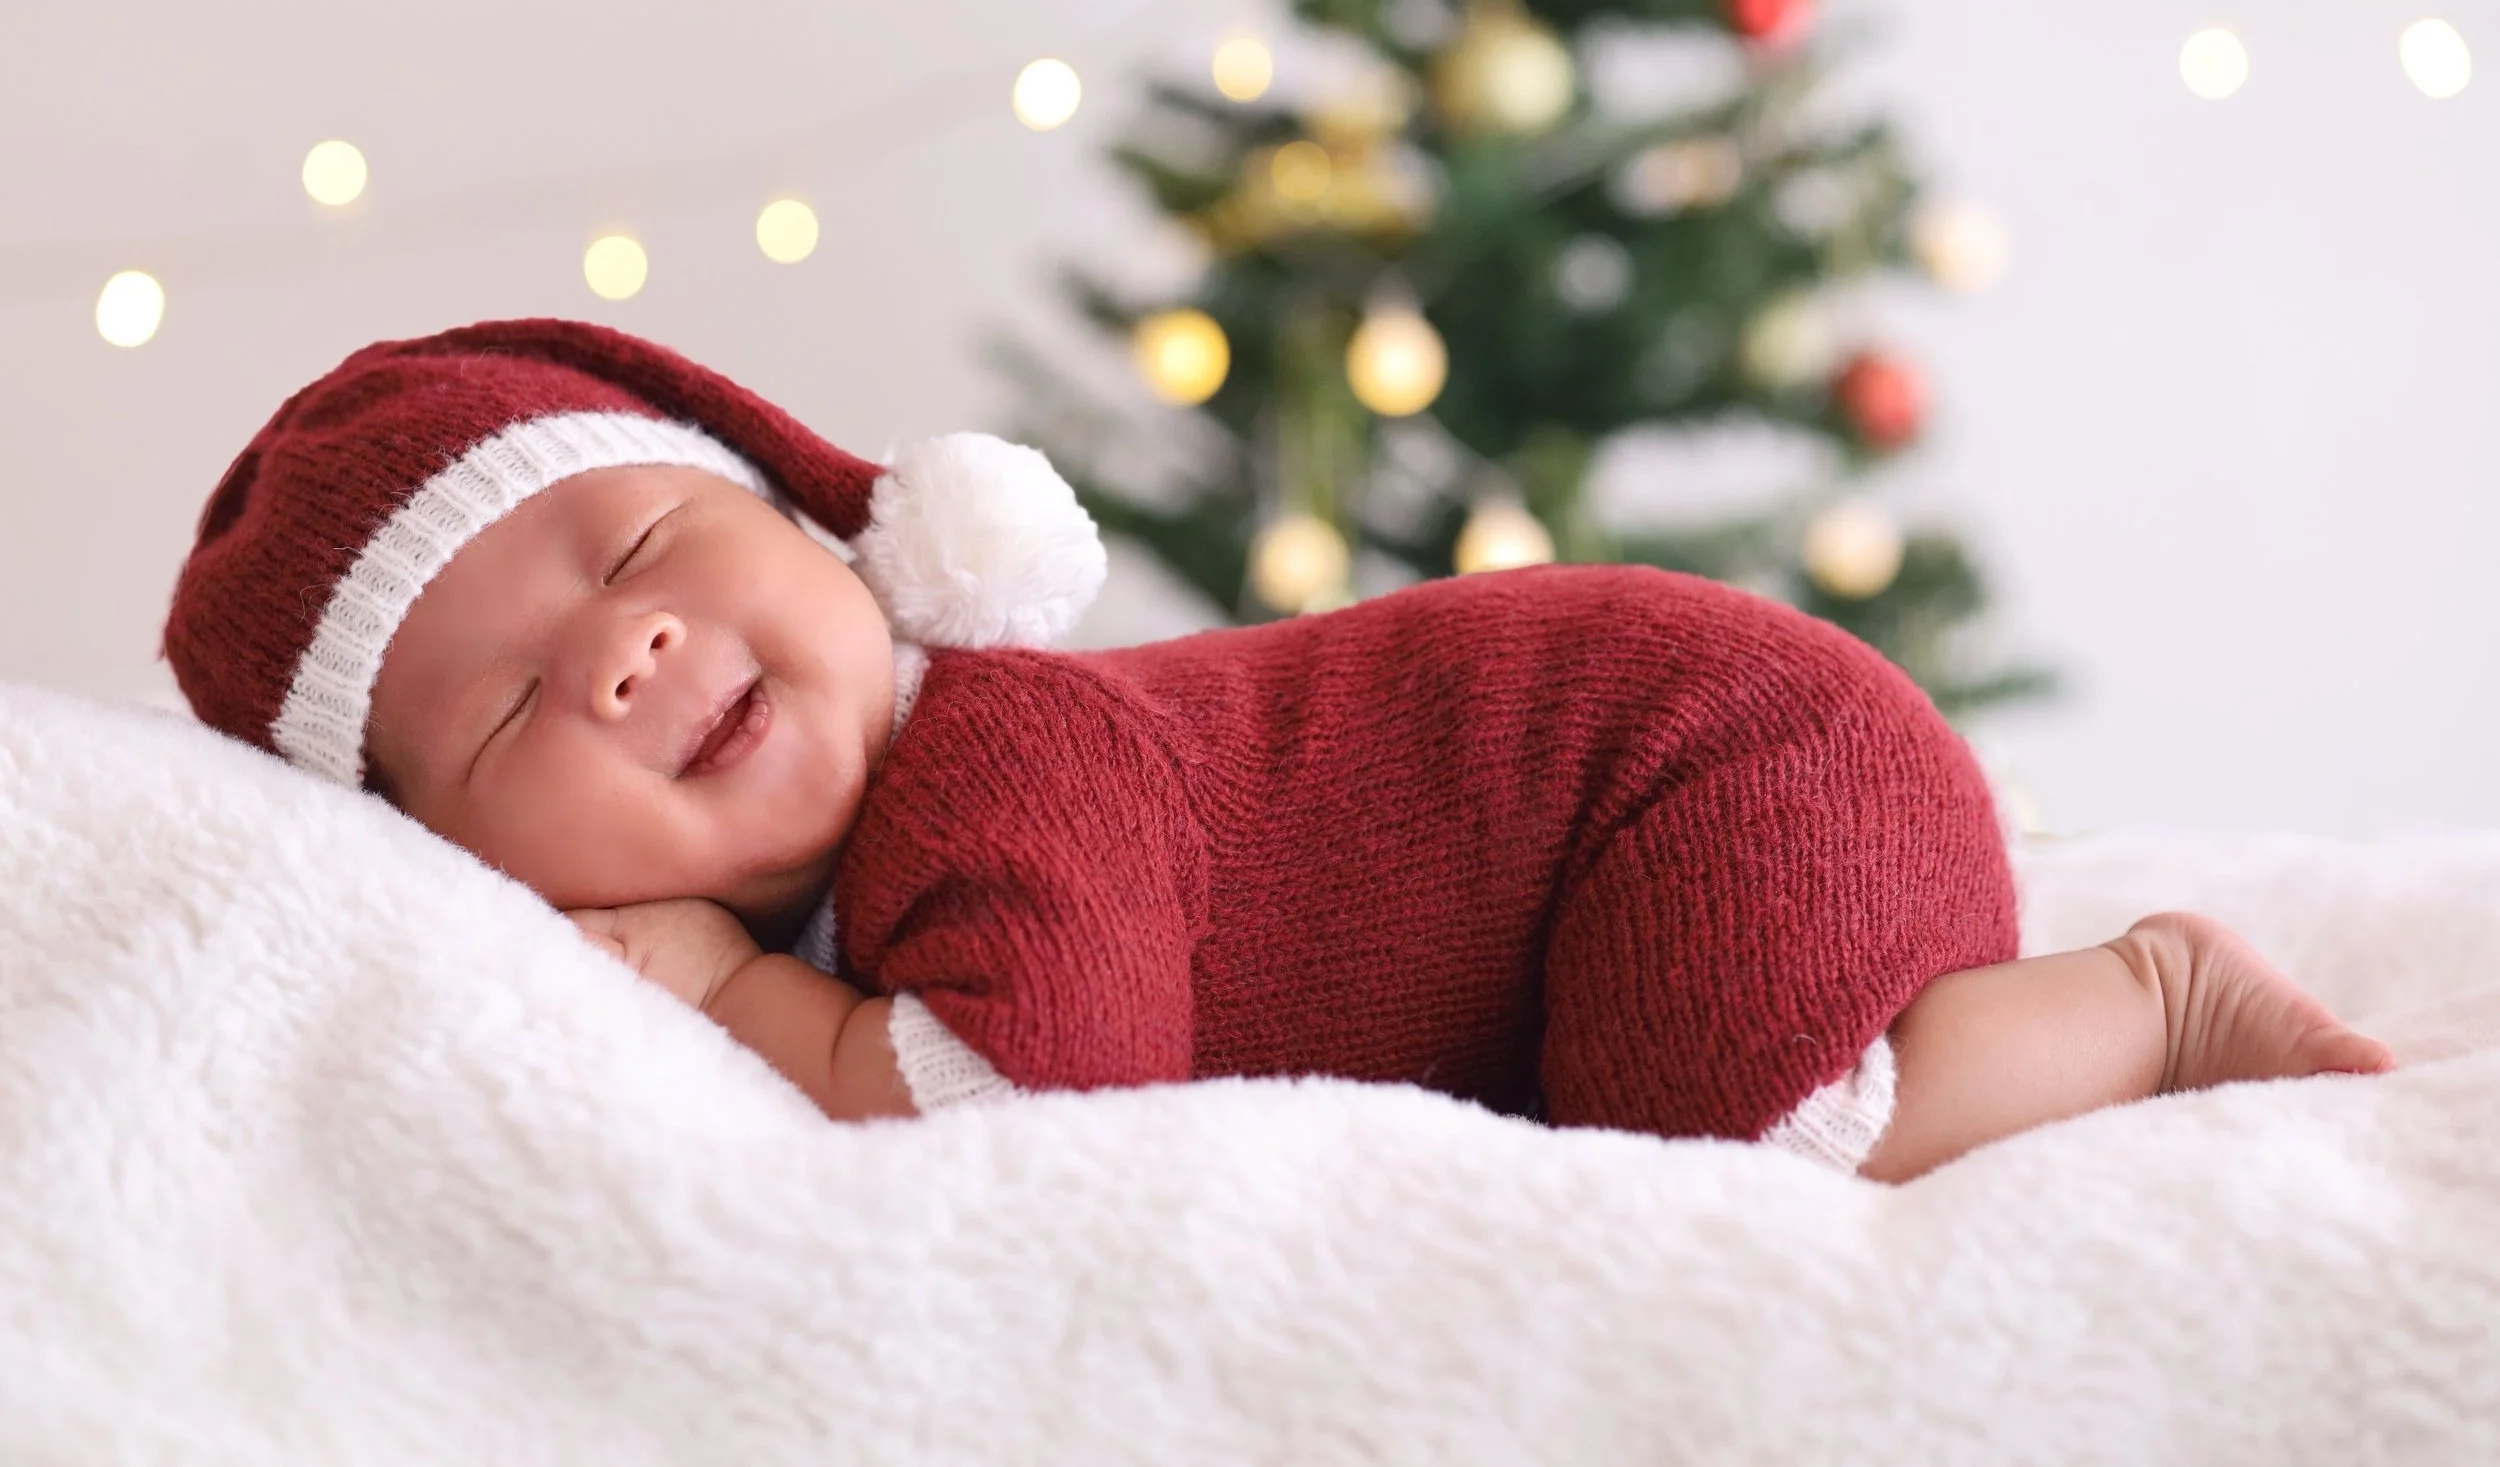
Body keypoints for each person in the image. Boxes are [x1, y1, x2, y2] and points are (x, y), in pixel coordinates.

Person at [164, 319, 2395, 1182]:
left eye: (641, 542)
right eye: (505, 706)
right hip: (1641, 801)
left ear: (836, 526)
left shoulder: (998, 761)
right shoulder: (878, 856)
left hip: (1703, 762)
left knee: (1758, 1140)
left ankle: (2146, 993)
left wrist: (751, 998)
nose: (628, 647)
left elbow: (1029, 1104)